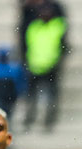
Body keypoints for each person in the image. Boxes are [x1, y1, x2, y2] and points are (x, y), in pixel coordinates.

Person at [24, 1, 68, 131]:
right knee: (31, 97)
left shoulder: (58, 26)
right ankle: (30, 120)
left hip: (51, 66)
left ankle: (48, 121)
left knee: (50, 96)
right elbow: (28, 45)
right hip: (34, 65)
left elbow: (63, 45)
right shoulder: (34, 27)